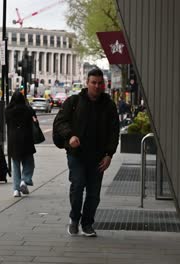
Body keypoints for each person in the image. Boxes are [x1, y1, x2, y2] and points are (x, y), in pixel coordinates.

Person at [53, 68, 120, 237]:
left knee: (93, 193)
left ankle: (87, 223)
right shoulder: (74, 102)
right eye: (93, 83)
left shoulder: (109, 105)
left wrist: (109, 155)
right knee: (77, 186)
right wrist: (70, 136)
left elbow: (114, 132)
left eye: (100, 83)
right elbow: (60, 122)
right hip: (77, 155)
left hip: (98, 157)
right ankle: (74, 219)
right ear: (87, 83)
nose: (97, 86)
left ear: (104, 84)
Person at [5, 90, 36, 197]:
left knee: (15, 165)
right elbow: (34, 118)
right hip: (26, 139)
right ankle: (25, 180)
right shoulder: (27, 110)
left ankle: (16, 190)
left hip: (13, 140)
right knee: (29, 163)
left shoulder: (8, 110)